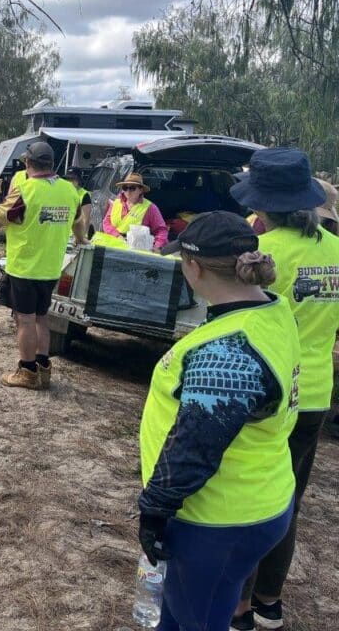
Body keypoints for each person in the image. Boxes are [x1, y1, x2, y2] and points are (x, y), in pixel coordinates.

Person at [137, 211, 300, 631]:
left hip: (218, 517)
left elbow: (196, 446)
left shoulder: (226, 351)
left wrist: (155, 509)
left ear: (193, 266)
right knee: (180, 612)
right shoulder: (271, 309)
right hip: (259, 491)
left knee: (200, 618)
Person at [227, 150, 339, 631]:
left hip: (267, 391)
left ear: (265, 205)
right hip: (314, 391)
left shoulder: (263, 253)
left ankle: (239, 607)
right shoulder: (334, 250)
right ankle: (270, 601)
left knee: (246, 495)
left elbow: (242, 319)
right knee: (288, 499)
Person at [0, 141, 86, 389]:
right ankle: (44, 367)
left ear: (28, 164)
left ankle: (27, 370)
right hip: (52, 266)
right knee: (42, 318)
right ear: (52, 164)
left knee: (26, 319)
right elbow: (78, 222)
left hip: (25, 266)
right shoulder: (69, 190)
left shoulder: (25, 190)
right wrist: (82, 239)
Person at [102, 172, 169, 250]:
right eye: (125, 188)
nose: (128, 191)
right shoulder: (116, 203)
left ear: (141, 190)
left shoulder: (150, 208)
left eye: (132, 188)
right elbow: (106, 222)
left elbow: (161, 230)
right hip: (112, 246)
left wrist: (156, 247)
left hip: (136, 250)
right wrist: (117, 236)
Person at [64, 167, 92, 236]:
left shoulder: (84, 195)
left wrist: (80, 237)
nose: (69, 182)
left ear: (79, 180)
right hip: (63, 233)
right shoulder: (63, 192)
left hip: (75, 235)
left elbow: (85, 220)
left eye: (72, 179)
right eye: (68, 179)